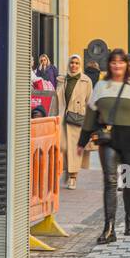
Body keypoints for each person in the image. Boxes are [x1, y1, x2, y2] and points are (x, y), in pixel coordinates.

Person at [77, 48, 130, 244]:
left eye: (121, 62)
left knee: (127, 183)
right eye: (113, 62)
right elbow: (91, 114)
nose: (117, 65)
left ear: (127, 65)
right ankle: (109, 227)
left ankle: (129, 218)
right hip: (108, 140)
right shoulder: (101, 86)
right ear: (109, 64)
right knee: (110, 182)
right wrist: (82, 141)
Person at [54, 54, 93, 189]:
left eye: (77, 63)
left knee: (74, 150)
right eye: (72, 63)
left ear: (80, 65)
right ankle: (66, 171)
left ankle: (73, 177)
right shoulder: (62, 80)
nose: (74, 65)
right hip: (62, 118)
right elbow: (56, 100)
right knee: (62, 148)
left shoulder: (86, 81)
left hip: (77, 119)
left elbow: (90, 102)